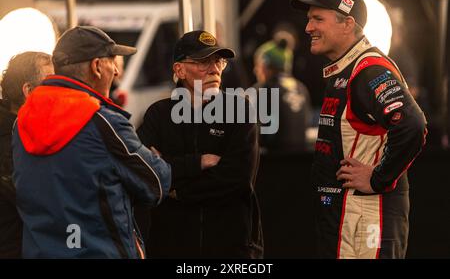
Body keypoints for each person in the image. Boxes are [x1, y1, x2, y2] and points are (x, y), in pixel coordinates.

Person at [290, 0, 427, 258]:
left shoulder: (368, 69)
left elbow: (412, 125)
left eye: (318, 19)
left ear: (347, 24)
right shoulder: (346, 68)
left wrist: (377, 178)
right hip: (348, 218)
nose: (308, 28)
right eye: (309, 19)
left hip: (365, 218)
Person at [12, 26, 171, 258]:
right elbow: (156, 184)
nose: (116, 71)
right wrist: (157, 159)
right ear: (96, 67)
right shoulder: (103, 122)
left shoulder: (22, 121)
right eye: (112, 61)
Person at [137, 30, 263, 258]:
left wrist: (176, 190)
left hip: (231, 247)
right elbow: (142, 171)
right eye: (204, 62)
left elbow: (237, 178)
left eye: (219, 61)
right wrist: (195, 163)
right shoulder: (158, 114)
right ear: (179, 70)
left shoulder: (240, 110)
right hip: (172, 246)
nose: (214, 69)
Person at [0, 52, 54, 258]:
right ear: (29, 91)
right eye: (52, 85)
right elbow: (37, 198)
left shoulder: (22, 131)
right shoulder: (9, 138)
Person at [253, 38, 312, 154]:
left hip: (274, 163)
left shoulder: (263, 88)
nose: (255, 70)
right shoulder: (301, 88)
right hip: (301, 163)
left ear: (265, 66)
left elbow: (254, 135)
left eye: (257, 65)